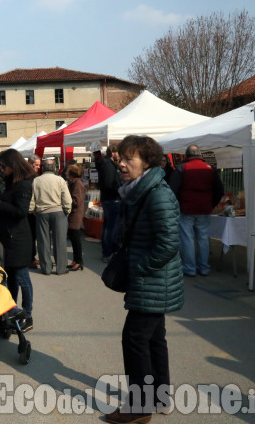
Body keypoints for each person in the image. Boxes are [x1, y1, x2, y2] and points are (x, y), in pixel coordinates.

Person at [105, 135, 184, 424]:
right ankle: (160, 397)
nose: (122, 163)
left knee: (135, 338)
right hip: (152, 279)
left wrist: (140, 268)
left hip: (152, 279)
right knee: (153, 339)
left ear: (147, 161)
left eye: (129, 159)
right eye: (121, 158)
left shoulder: (157, 193)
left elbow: (169, 242)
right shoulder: (140, 190)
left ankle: (139, 406)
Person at [0, 148, 36, 332]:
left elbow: (21, 211)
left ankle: (27, 314)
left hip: (19, 239)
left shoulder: (23, 184)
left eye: (4, 166)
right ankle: (12, 310)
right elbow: (9, 206)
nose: (2, 169)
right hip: (8, 236)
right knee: (11, 277)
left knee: (22, 278)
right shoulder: (11, 182)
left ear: (13, 165)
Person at [168, 145, 224, 277]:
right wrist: (212, 204)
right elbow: (219, 189)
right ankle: (203, 267)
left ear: (187, 155)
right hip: (204, 209)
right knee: (203, 238)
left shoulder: (182, 168)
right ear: (200, 155)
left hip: (186, 208)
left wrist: (178, 204)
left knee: (187, 238)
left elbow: (172, 190)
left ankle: (190, 268)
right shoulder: (210, 169)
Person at [29, 158, 72, 275]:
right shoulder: (60, 180)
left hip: (42, 213)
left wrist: (33, 211)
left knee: (43, 242)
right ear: (54, 168)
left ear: (42, 167)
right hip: (58, 212)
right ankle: (61, 268)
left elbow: (32, 199)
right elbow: (67, 199)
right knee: (60, 241)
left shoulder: (36, 180)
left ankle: (46, 268)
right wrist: (66, 211)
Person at [97, 144, 122, 263]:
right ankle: (108, 252)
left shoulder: (107, 164)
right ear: (113, 152)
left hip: (109, 198)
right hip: (112, 199)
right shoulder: (108, 165)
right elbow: (109, 184)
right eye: (118, 153)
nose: (120, 155)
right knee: (111, 228)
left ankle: (107, 252)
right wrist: (119, 190)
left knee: (108, 227)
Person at [65, 164, 86, 271]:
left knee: (75, 239)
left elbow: (76, 201)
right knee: (74, 239)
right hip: (74, 215)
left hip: (75, 215)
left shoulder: (77, 183)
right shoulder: (74, 183)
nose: (66, 173)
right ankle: (76, 260)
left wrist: (65, 200)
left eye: (68, 171)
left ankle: (78, 261)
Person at [26, 154, 41, 268]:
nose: (38, 167)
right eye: (36, 165)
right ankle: (30, 258)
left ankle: (31, 257)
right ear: (30, 164)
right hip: (29, 209)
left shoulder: (32, 174)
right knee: (30, 235)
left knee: (32, 235)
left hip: (32, 208)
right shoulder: (28, 175)